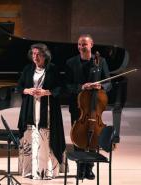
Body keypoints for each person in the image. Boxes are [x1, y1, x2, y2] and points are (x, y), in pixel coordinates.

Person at [65, 34, 111, 180]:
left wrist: (101, 85)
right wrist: (81, 87)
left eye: (84, 44)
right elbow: (66, 85)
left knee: (93, 138)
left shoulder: (101, 62)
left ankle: (89, 168)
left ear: (91, 44)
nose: (81, 47)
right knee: (78, 137)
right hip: (79, 107)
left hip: (95, 108)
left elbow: (109, 83)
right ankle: (80, 167)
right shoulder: (70, 62)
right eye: (79, 44)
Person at [17, 43, 66, 180]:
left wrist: (47, 92)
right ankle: (30, 171)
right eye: (33, 54)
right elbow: (19, 87)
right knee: (30, 138)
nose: (35, 57)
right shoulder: (28, 69)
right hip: (30, 108)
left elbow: (61, 89)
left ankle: (46, 171)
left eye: (38, 54)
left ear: (45, 55)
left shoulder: (53, 69)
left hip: (48, 109)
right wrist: (28, 90)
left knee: (45, 139)